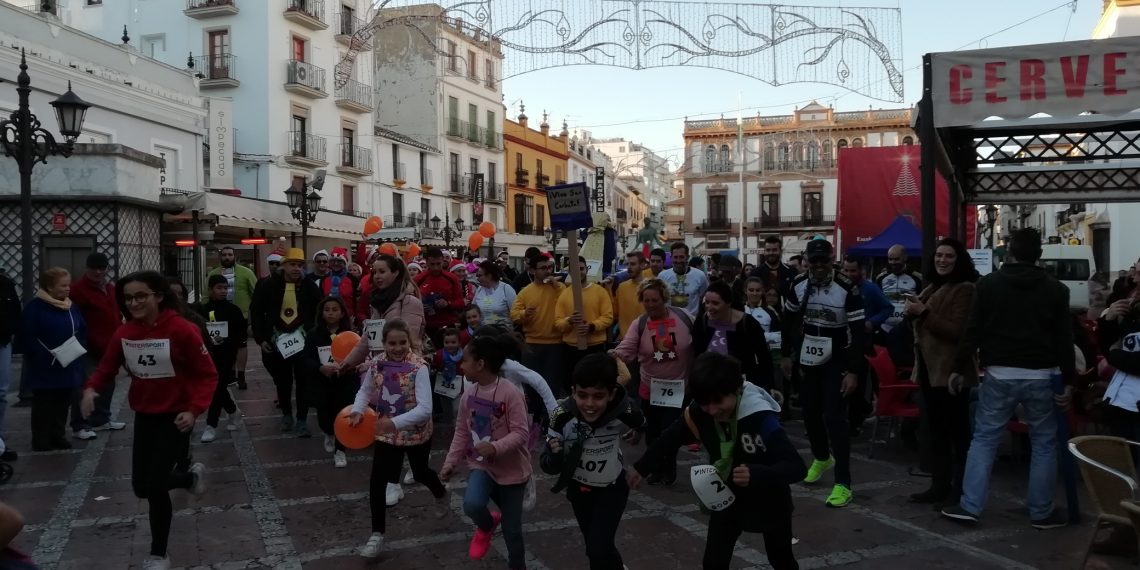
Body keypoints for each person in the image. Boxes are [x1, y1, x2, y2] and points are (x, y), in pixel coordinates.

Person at [80, 271, 217, 570]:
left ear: (158, 296)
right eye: (128, 298)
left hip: (176, 417)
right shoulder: (125, 332)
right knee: (141, 487)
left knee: (155, 486)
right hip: (144, 415)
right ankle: (188, 478)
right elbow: (107, 366)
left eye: (140, 296)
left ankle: (158, 554)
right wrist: (91, 389)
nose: (134, 303)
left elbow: (208, 374)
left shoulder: (182, 329)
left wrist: (194, 411)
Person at [941, 228, 1074, 529]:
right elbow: (1064, 339)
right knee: (1043, 442)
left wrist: (958, 367)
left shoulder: (989, 285)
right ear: (1039, 254)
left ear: (1010, 251)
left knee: (985, 439)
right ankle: (1041, 512)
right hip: (1042, 375)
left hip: (999, 373)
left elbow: (972, 330)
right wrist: (1069, 380)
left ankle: (970, 505)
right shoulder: (1056, 289)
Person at [628, 352, 805, 570]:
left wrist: (758, 473)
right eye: (705, 403)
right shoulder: (698, 411)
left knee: (781, 559)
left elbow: (796, 467)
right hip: (725, 494)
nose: (712, 410)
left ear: (737, 389)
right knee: (713, 561)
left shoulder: (759, 415)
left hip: (769, 499)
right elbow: (669, 438)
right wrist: (641, 467)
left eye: (718, 401)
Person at [348, 319, 448, 558]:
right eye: (392, 343)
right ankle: (376, 534)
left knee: (421, 471)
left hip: (415, 431)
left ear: (409, 342)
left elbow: (425, 408)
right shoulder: (377, 364)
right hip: (386, 432)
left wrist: (394, 422)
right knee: (377, 481)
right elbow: (365, 390)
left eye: (402, 342)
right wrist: (357, 410)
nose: (397, 347)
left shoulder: (419, 367)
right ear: (384, 343)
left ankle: (441, 493)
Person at [780, 239, 866, 508]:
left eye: (823, 262)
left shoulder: (846, 288)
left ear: (832, 261)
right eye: (813, 262)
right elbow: (789, 320)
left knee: (834, 416)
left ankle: (843, 483)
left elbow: (859, 333)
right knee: (808, 410)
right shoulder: (798, 284)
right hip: (808, 353)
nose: (818, 267)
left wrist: (853, 371)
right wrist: (785, 354)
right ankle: (821, 456)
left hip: (837, 354)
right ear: (807, 261)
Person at [540, 353, 644, 569]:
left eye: (598, 396)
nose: (589, 404)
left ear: (611, 393)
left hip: (612, 488)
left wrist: (639, 431)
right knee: (595, 548)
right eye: (582, 395)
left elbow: (641, 421)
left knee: (598, 548)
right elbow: (547, 465)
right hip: (579, 489)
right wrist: (555, 455)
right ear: (573, 391)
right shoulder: (560, 414)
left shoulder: (624, 411)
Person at [440, 334, 532, 567]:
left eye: (466, 360)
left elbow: (522, 433)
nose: (461, 364)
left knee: (512, 531)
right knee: (471, 504)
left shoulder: (510, 393)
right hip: (482, 466)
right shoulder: (468, 394)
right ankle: (487, 524)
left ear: (480, 364)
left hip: (512, 472)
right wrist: (450, 463)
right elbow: (461, 432)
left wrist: (495, 447)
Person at [905, 238, 978, 506]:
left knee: (956, 433)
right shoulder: (934, 286)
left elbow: (957, 331)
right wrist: (912, 313)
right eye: (938, 255)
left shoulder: (965, 289)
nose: (942, 260)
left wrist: (923, 313)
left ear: (958, 260)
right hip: (928, 369)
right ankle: (939, 485)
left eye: (948, 256)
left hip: (951, 373)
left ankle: (959, 489)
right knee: (935, 431)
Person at [611, 279, 694, 485]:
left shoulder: (685, 317)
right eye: (646, 300)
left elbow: (700, 340)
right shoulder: (639, 324)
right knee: (653, 431)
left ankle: (669, 467)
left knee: (670, 430)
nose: (650, 305)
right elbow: (628, 347)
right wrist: (615, 354)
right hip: (650, 386)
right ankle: (656, 467)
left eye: (654, 300)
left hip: (678, 385)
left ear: (664, 298)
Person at [250, 247, 323, 436]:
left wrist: (313, 334)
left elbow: (319, 311)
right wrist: (261, 338)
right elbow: (256, 311)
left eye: (299, 265)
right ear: (284, 266)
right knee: (282, 381)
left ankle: (301, 419)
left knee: (303, 381)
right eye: (292, 264)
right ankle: (286, 415)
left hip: (302, 340)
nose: (296, 269)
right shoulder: (268, 285)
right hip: (277, 338)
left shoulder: (309, 286)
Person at [24, 268, 87, 452]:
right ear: (50, 287)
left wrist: (78, 344)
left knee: (63, 401)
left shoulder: (70, 305)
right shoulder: (35, 307)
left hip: (67, 362)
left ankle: (57, 435)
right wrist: (41, 353)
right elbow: (27, 335)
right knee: (44, 403)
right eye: (63, 285)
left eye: (69, 285)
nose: (68, 289)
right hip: (45, 364)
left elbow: (82, 327)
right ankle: (41, 439)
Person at [67, 252, 125, 439]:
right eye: (95, 268)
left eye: (102, 268)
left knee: (108, 383)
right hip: (88, 346)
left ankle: (101, 419)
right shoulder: (78, 290)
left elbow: (116, 313)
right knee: (86, 385)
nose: (98, 272)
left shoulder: (110, 288)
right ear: (88, 268)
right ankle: (80, 424)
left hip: (109, 345)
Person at [840, 256, 893, 433]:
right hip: (840, 342)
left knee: (858, 384)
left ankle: (855, 423)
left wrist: (872, 322)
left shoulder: (870, 289)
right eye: (845, 270)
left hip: (861, 342)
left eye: (852, 270)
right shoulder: (839, 287)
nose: (848, 274)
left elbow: (888, 308)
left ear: (861, 270)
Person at [694, 281, 776, 395]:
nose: (709, 307)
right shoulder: (702, 321)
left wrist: (770, 385)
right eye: (707, 302)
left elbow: (764, 357)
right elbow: (696, 354)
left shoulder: (748, 323)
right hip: (709, 382)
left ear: (728, 303)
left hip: (741, 384)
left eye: (715, 303)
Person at [306, 296, 360, 468]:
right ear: (321, 313)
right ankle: (328, 433)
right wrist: (320, 368)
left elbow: (358, 355)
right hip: (323, 383)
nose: (330, 313)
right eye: (327, 309)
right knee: (324, 417)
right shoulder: (314, 334)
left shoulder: (350, 334)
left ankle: (340, 450)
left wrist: (349, 366)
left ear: (342, 312)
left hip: (345, 382)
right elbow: (306, 358)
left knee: (342, 415)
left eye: (335, 309)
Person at [345, 254, 425, 361]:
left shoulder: (410, 302)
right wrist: (347, 363)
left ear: (395, 273)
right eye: (374, 272)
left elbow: (409, 342)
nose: (377, 276)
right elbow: (367, 340)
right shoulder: (377, 302)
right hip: (381, 366)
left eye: (382, 272)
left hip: (405, 368)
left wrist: (376, 364)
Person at [195, 275, 246, 442]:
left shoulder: (233, 310)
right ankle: (233, 411)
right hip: (209, 355)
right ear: (211, 290)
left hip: (227, 354)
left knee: (217, 386)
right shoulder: (203, 309)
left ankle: (211, 425)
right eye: (219, 288)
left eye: (225, 288)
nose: (223, 291)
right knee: (216, 388)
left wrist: (229, 341)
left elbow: (241, 333)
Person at [511, 253, 566, 397]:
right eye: (543, 268)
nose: (548, 271)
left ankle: (550, 417)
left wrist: (558, 287)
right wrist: (524, 314)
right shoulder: (525, 292)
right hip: (531, 345)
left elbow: (568, 305)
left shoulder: (559, 287)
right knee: (532, 385)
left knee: (552, 384)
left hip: (555, 343)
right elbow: (514, 315)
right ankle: (534, 416)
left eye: (549, 267)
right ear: (533, 271)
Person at [1098, 258, 1140, 443]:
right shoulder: (1133, 307)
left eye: (1138, 273)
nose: (1133, 277)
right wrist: (1109, 320)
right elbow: (1109, 345)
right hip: (1122, 401)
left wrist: (1115, 355)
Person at [556, 256, 615, 383]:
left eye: (581, 268)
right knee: (572, 383)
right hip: (571, 349)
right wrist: (569, 321)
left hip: (595, 348)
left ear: (586, 270)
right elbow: (558, 323)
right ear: (570, 272)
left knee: (595, 382)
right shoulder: (564, 294)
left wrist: (592, 326)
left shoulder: (600, 291)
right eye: (575, 269)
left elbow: (608, 317)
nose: (579, 272)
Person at [207, 246, 256, 390]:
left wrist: (254, 318)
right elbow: (206, 294)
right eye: (224, 255)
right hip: (219, 317)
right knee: (224, 347)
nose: (227, 257)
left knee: (241, 345)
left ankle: (241, 375)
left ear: (235, 256)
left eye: (230, 255)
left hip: (241, 315)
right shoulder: (213, 274)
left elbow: (256, 294)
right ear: (220, 257)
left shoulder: (246, 273)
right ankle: (229, 374)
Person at [417, 247, 467, 343]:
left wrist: (448, 303)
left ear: (442, 261)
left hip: (448, 326)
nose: (435, 267)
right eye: (432, 264)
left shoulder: (452, 278)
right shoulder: (418, 279)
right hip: (427, 327)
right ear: (426, 262)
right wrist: (420, 306)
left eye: (438, 264)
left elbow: (461, 302)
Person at [874, 244, 923, 337]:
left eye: (896, 259)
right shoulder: (881, 278)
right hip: (884, 328)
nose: (893, 262)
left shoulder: (917, 278)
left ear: (905, 258)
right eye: (890, 259)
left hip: (908, 329)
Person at [658, 242, 709, 317]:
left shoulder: (700, 275)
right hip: (670, 321)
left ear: (687, 257)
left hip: (692, 322)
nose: (678, 261)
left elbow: (704, 299)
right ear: (671, 257)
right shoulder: (662, 276)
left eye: (681, 257)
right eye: (675, 257)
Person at [0, 270, 19, 457]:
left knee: (1, 393)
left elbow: (15, 310)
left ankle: (0, 441)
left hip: (2, 341)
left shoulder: (5, 284)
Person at [749, 236, 797, 305]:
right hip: (762, 312)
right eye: (768, 250)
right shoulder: (755, 273)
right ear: (764, 252)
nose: (771, 253)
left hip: (785, 313)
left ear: (780, 251)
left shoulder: (791, 272)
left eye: (774, 250)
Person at [473, 260, 517, 328]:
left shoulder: (506, 289)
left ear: (489, 276)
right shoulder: (479, 289)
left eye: (479, 275)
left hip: (503, 333)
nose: (477, 278)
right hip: (483, 333)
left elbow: (515, 313)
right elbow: (473, 309)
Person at [319, 247, 360, 320]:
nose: (336, 263)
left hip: (349, 318)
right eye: (333, 261)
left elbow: (358, 301)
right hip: (328, 319)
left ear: (344, 263)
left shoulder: (352, 279)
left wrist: (357, 318)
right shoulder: (324, 279)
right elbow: (321, 301)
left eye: (339, 261)